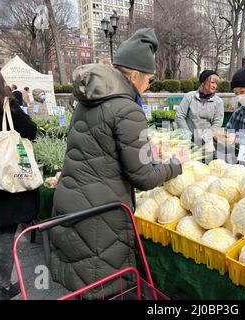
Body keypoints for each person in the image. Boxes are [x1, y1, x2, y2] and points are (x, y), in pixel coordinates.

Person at [50, 28, 182, 299]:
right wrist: (174, 166)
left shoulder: (85, 102)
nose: (148, 86)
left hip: (71, 203)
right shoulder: (127, 108)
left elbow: (102, 151)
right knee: (105, 288)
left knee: (82, 285)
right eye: (149, 79)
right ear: (134, 75)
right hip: (101, 215)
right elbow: (143, 177)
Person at [0, 67, 39, 300]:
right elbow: (31, 130)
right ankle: (2, 286)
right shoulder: (5, 105)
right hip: (3, 180)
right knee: (4, 233)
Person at [176, 70, 224, 152]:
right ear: (203, 82)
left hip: (206, 142)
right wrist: (188, 135)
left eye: (216, 83)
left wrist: (204, 139)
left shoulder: (218, 102)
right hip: (187, 140)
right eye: (212, 82)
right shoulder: (189, 97)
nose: (214, 86)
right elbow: (179, 116)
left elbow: (217, 123)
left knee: (206, 163)